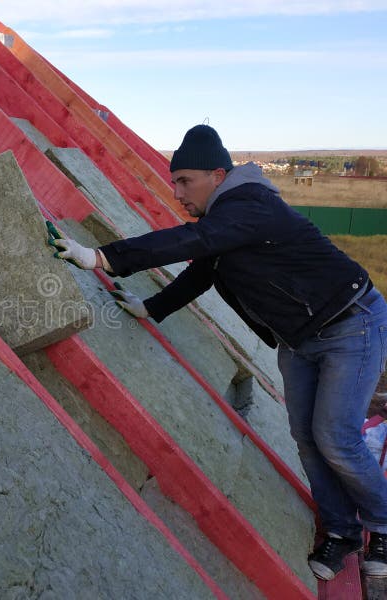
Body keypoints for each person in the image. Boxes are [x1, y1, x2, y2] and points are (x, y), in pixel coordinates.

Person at [49, 124, 387, 581]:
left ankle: (382, 526)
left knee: (336, 436)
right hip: (300, 336)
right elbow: (203, 269)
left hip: (352, 324)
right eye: (173, 182)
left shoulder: (250, 206)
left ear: (218, 175)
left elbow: (193, 242)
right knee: (307, 437)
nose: (177, 192)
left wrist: (102, 258)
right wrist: (151, 308)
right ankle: (343, 531)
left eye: (185, 181)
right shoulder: (226, 220)